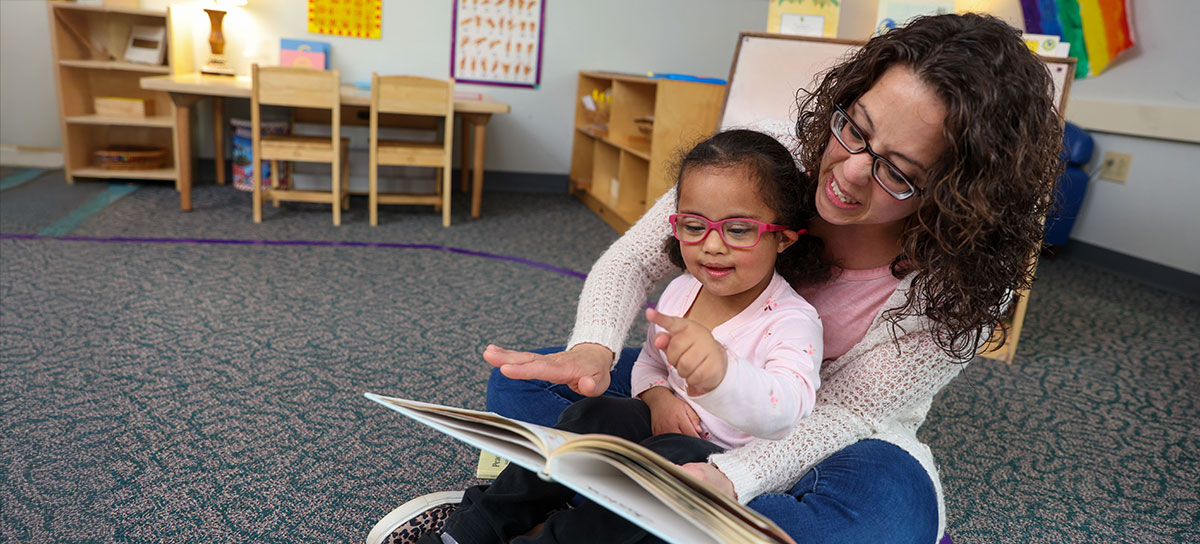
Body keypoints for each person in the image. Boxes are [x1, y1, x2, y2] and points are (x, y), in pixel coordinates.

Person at [477, 13, 1064, 544]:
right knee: (521, 386)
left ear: (956, 198)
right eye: (855, 129)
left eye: (898, 171)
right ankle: (656, 505)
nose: (850, 171)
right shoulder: (771, 158)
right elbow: (633, 260)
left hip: (828, 436)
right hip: (694, 399)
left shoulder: (956, 289)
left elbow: (845, 415)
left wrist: (733, 476)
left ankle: (622, 498)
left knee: (885, 516)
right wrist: (599, 349)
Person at [418, 129, 826, 544]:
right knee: (592, 416)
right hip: (657, 424)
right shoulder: (684, 289)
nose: (712, 246)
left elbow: (787, 412)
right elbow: (650, 363)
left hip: (720, 461)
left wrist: (723, 374)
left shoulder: (793, 321)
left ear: (783, 238)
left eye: (739, 229)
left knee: (658, 475)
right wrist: (657, 396)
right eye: (693, 225)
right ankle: (473, 528)